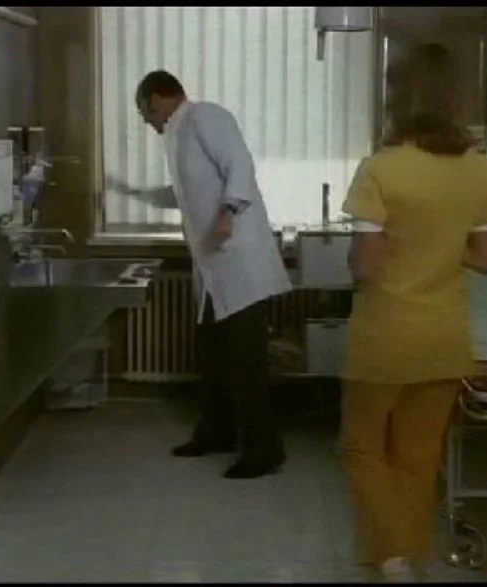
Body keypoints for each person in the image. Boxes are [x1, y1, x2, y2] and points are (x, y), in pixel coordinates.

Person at [339, 43, 487, 581]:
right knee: (419, 456)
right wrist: (439, 243)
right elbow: (486, 260)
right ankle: (409, 557)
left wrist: (387, 247)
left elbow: (366, 267)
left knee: (363, 449)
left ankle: (390, 558)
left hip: (385, 339)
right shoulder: (480, 171)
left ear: (397, 98)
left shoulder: (380, 170)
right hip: (445, 339)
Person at [110, 70, 291, 479]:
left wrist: (228, 213)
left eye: (144, 112)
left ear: (156, 100)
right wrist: (132, 193)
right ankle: (216, 432)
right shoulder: (179, 136)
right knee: (214, 357)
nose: (146, 122)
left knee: (246, 362)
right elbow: (185, 192)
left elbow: (239, 165)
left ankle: (264, 451)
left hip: (238, 262)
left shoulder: (205, 117)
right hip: (214, 270)